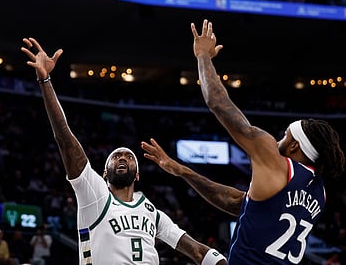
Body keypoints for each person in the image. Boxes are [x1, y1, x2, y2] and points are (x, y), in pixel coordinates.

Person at [140, 19, 346, 264]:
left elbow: (219, 104)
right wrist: (183, 171)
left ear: (294, 146)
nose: (279, 139)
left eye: (285, 136)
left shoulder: (275, 160)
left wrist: (203, 56)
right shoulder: (319, 193)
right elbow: (239, 203)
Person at [20, 37, 227, 265]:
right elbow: (65, 139)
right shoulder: (95, 195)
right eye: (116, 156)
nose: (122, 158)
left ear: (137, 174)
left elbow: (197, 252)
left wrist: (220, 261)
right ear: (104, 173)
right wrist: (45, 80)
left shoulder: (153, 213)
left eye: (129, 157)